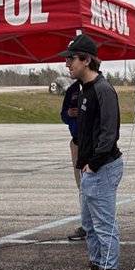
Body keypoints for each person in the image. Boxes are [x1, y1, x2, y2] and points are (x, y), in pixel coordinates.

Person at [60, 34, 124, 270]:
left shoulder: (103, 90)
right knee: (90, 223)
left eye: (71, 59)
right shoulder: (83, 89)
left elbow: (110, 134)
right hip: (90, 169)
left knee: (104, 224)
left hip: (101, 168)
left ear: (87, 60)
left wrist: (92, 164)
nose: (67, 65)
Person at [60, 78, 85, 241]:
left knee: (94, 187)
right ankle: (86, 224)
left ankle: (98, 225)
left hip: (92, 144)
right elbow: (63, 114)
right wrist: (69, 114)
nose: (68, 64)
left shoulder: (99, 88)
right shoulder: (72, 90)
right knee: (82, 186)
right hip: (76, 142)